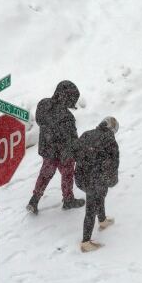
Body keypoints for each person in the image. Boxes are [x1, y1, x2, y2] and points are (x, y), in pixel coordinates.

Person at [26, 80, 85, 214]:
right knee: (67, 174)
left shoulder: (43, 104)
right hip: (64, 153)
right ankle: (68, 199)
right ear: (66, 97)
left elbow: (41, 122)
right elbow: (72, 140)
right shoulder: (67, 116)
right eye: (72, 98)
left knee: (45, 174)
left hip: (48, 150)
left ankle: (34, 200)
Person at [71, 116, 120, 252]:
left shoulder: (87, 134)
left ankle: (103, 221)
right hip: (96, 179)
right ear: (112, 129)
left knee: (100, 197)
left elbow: (74, 153)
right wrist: (112, 180)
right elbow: (113, 164)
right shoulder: (110, 141)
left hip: (82, 177)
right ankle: (86, 242)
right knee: (91, 208)